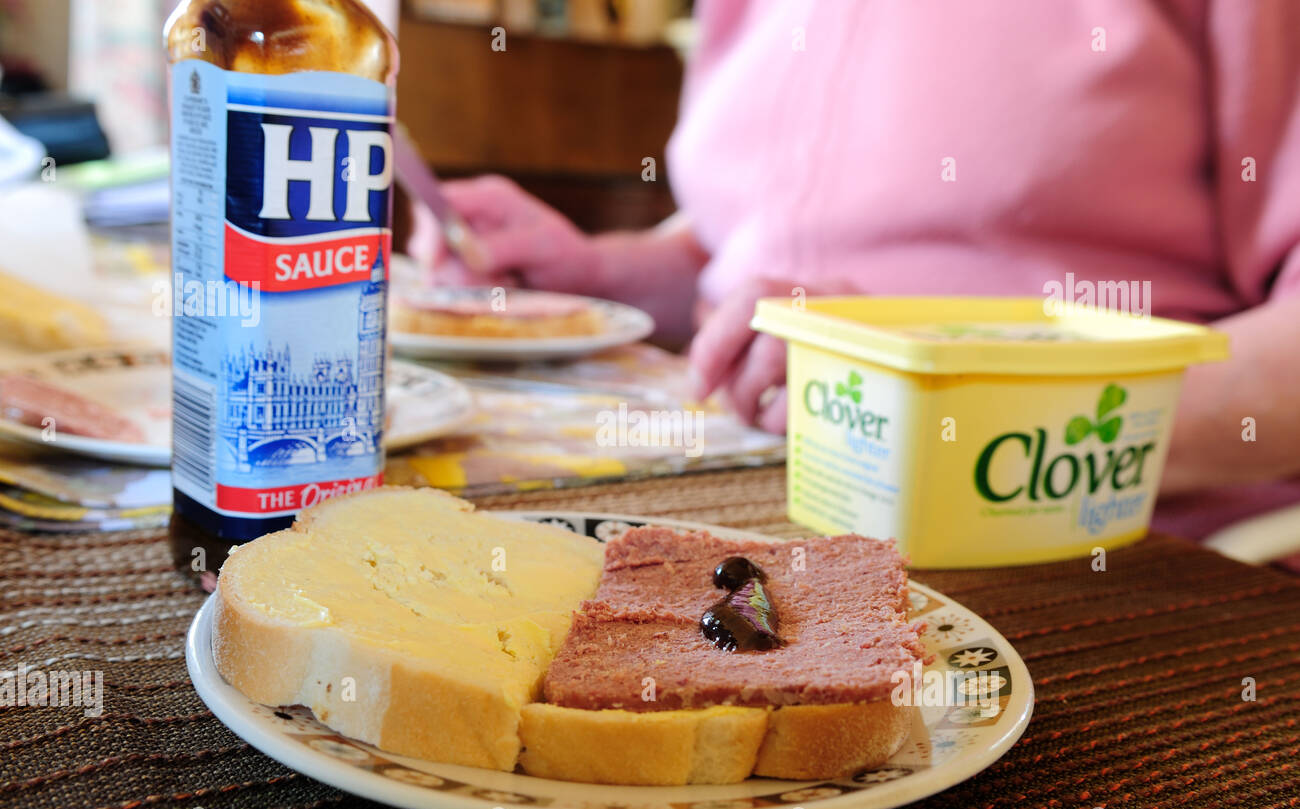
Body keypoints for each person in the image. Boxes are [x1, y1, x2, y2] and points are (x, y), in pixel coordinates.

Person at [410, 0, 1300, 541]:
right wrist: (595, 273)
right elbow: (755, 261)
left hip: (1104, 563)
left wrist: (924, 400)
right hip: (739, 484)